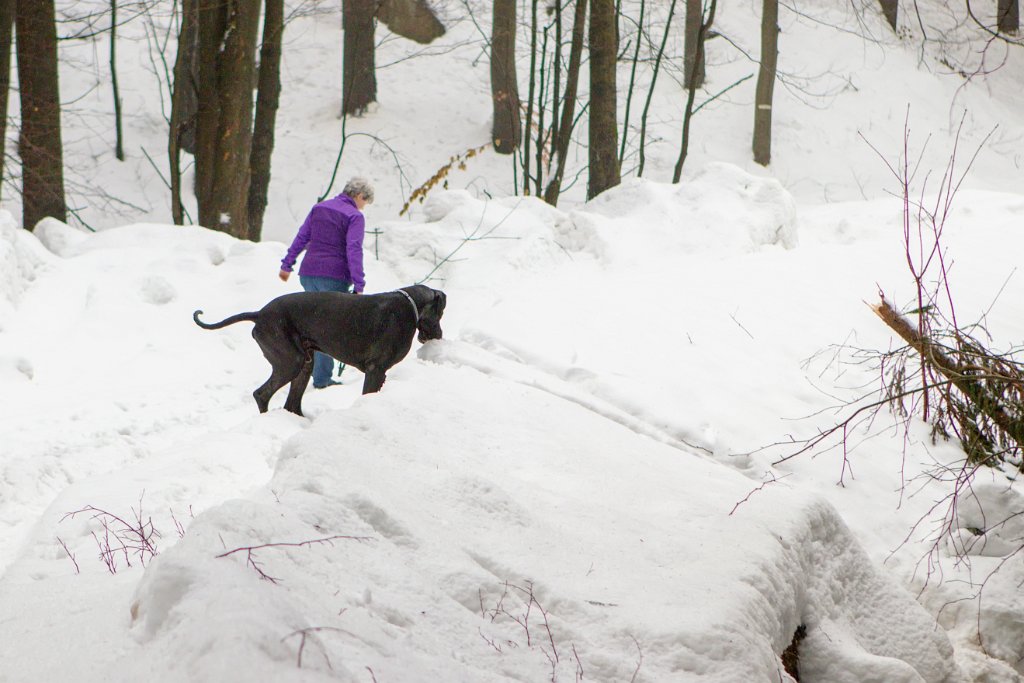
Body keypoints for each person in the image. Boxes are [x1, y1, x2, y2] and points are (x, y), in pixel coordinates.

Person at [279, 177, 373, 388]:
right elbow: (353, 249)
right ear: (359, 196)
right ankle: (322, 379)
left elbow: (302, 237)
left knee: (311, 326)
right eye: (365, 202)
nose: (363, 207)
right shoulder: (354, 216)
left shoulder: (319, 208)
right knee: (327, 330)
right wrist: (359, 284)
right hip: (334, 277)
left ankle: (306, 372)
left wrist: (287, 264)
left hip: (308, 274)